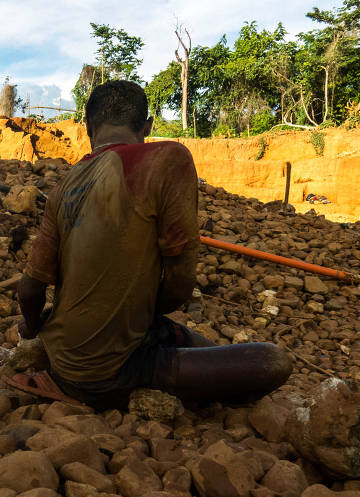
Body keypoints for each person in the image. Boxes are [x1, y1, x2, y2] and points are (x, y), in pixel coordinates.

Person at [16, 80, 293, 410]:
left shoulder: (63, 188)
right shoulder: (165, 158)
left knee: (195, 345)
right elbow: (179, 288)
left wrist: (33, 325)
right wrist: (132, 310)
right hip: (108, 371)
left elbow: (30, 290)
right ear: (147, 127)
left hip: (63, 357)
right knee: (273, 361)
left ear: (88, 127)